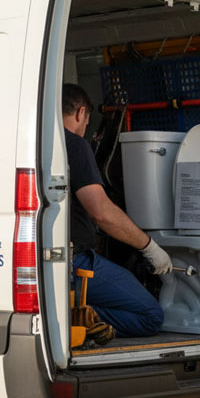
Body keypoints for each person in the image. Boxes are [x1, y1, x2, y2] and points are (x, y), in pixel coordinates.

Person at [63, 83, 172, 337]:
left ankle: (73, 313)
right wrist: (150, 247)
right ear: (81, 113)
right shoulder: (75, 146)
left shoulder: (35, 143)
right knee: (151, 316)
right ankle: (75, 317)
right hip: (76, 264)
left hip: (50, 262)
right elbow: (101, 212)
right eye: (87, 122)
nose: (85, 129)